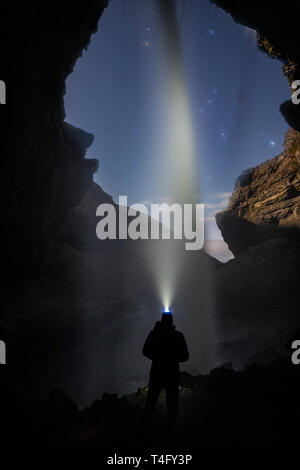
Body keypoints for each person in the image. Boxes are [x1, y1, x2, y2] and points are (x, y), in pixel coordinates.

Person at [142, 311, 189, 429]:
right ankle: (171, 431)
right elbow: (185, 356)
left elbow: (145, 351)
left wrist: (157, 357)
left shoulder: (154, 334)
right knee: (172, 405)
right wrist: (173, 358)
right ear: (172, 321)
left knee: (150, 402)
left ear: (161, 320)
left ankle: (142, 430)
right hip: (172, 374)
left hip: (156, 372)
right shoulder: (178, 336)